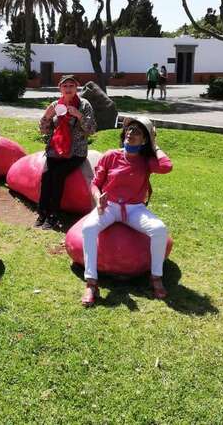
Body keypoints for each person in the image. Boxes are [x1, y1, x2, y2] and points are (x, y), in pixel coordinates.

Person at [80, 116, 173, 306]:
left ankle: (155, 278)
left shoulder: (146, 161)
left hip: (134, 209)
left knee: (159, 229)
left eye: (137, 131)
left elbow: (166, 166)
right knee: (88, 228)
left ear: (145, 140)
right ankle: (91, 283)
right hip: (109, 206)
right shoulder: (111, 155)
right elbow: (95, 184)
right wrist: (98, 199)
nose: (131, 133)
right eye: (129, 130)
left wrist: (154, 144)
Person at [37, 75, 96, 230]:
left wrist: (79, 115)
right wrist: (46, 117)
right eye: (65, 86)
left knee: (58, 175)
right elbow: (43, 130)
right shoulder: (55, 105)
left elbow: (91, 129)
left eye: (71, 85)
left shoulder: (84, 105)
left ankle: (53, 215)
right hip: (55, 150)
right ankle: (42, 212)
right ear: (60, 88)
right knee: (46, 175)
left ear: (76, 88)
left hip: (76, 151)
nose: (68, 89)